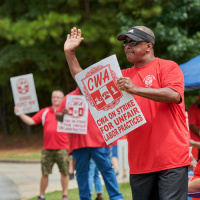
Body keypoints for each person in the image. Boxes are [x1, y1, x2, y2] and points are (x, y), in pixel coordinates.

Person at [63, 26, 191, 200]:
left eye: (133, 42)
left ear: (149, 46)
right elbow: (86, 84)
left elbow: (174, 95)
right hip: (140, 163)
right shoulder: (121, 76)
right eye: (126, 43)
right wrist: (70, 54)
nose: (128, 46)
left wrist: (135, 89)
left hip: (171, 159)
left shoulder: (167, 67)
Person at [56, 87, 123, 200]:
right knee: (82, 174)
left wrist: (111, 135)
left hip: (99, 142)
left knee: (107, 170)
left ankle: (116, 197)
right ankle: (85, 198)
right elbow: (58, 117)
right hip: (78, 143)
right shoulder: (69, 98)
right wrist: (63, 114)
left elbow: (110, 112)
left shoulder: (99, 93)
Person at [14, 90, 69, 200]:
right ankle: (41, 195)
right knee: (45, 173)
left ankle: (65, 195)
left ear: (63, 99)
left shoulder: (66, 112)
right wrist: (19, 113)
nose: (55, 99)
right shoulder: (45, 112)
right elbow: (31, 121)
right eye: (54, 97)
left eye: (58, 97)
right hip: (47, 149)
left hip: (63, 148)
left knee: (64, 172)